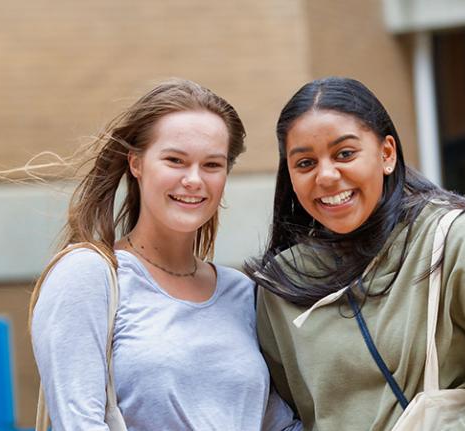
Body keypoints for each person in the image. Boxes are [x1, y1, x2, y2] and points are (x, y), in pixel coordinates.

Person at [246, 77, 465, 430]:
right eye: (305, 163)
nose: (326, 176)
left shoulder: (458, 241)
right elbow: (285, 418)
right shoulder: (281, 286)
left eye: (345, 154)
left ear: (387, 154)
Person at [30, 79, 300, 430]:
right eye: (175, 160)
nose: (193, 179)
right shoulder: (89, 274)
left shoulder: (241, 293)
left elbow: (276, 424)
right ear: (137, 163)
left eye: (212, 165)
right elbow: (79, 422)